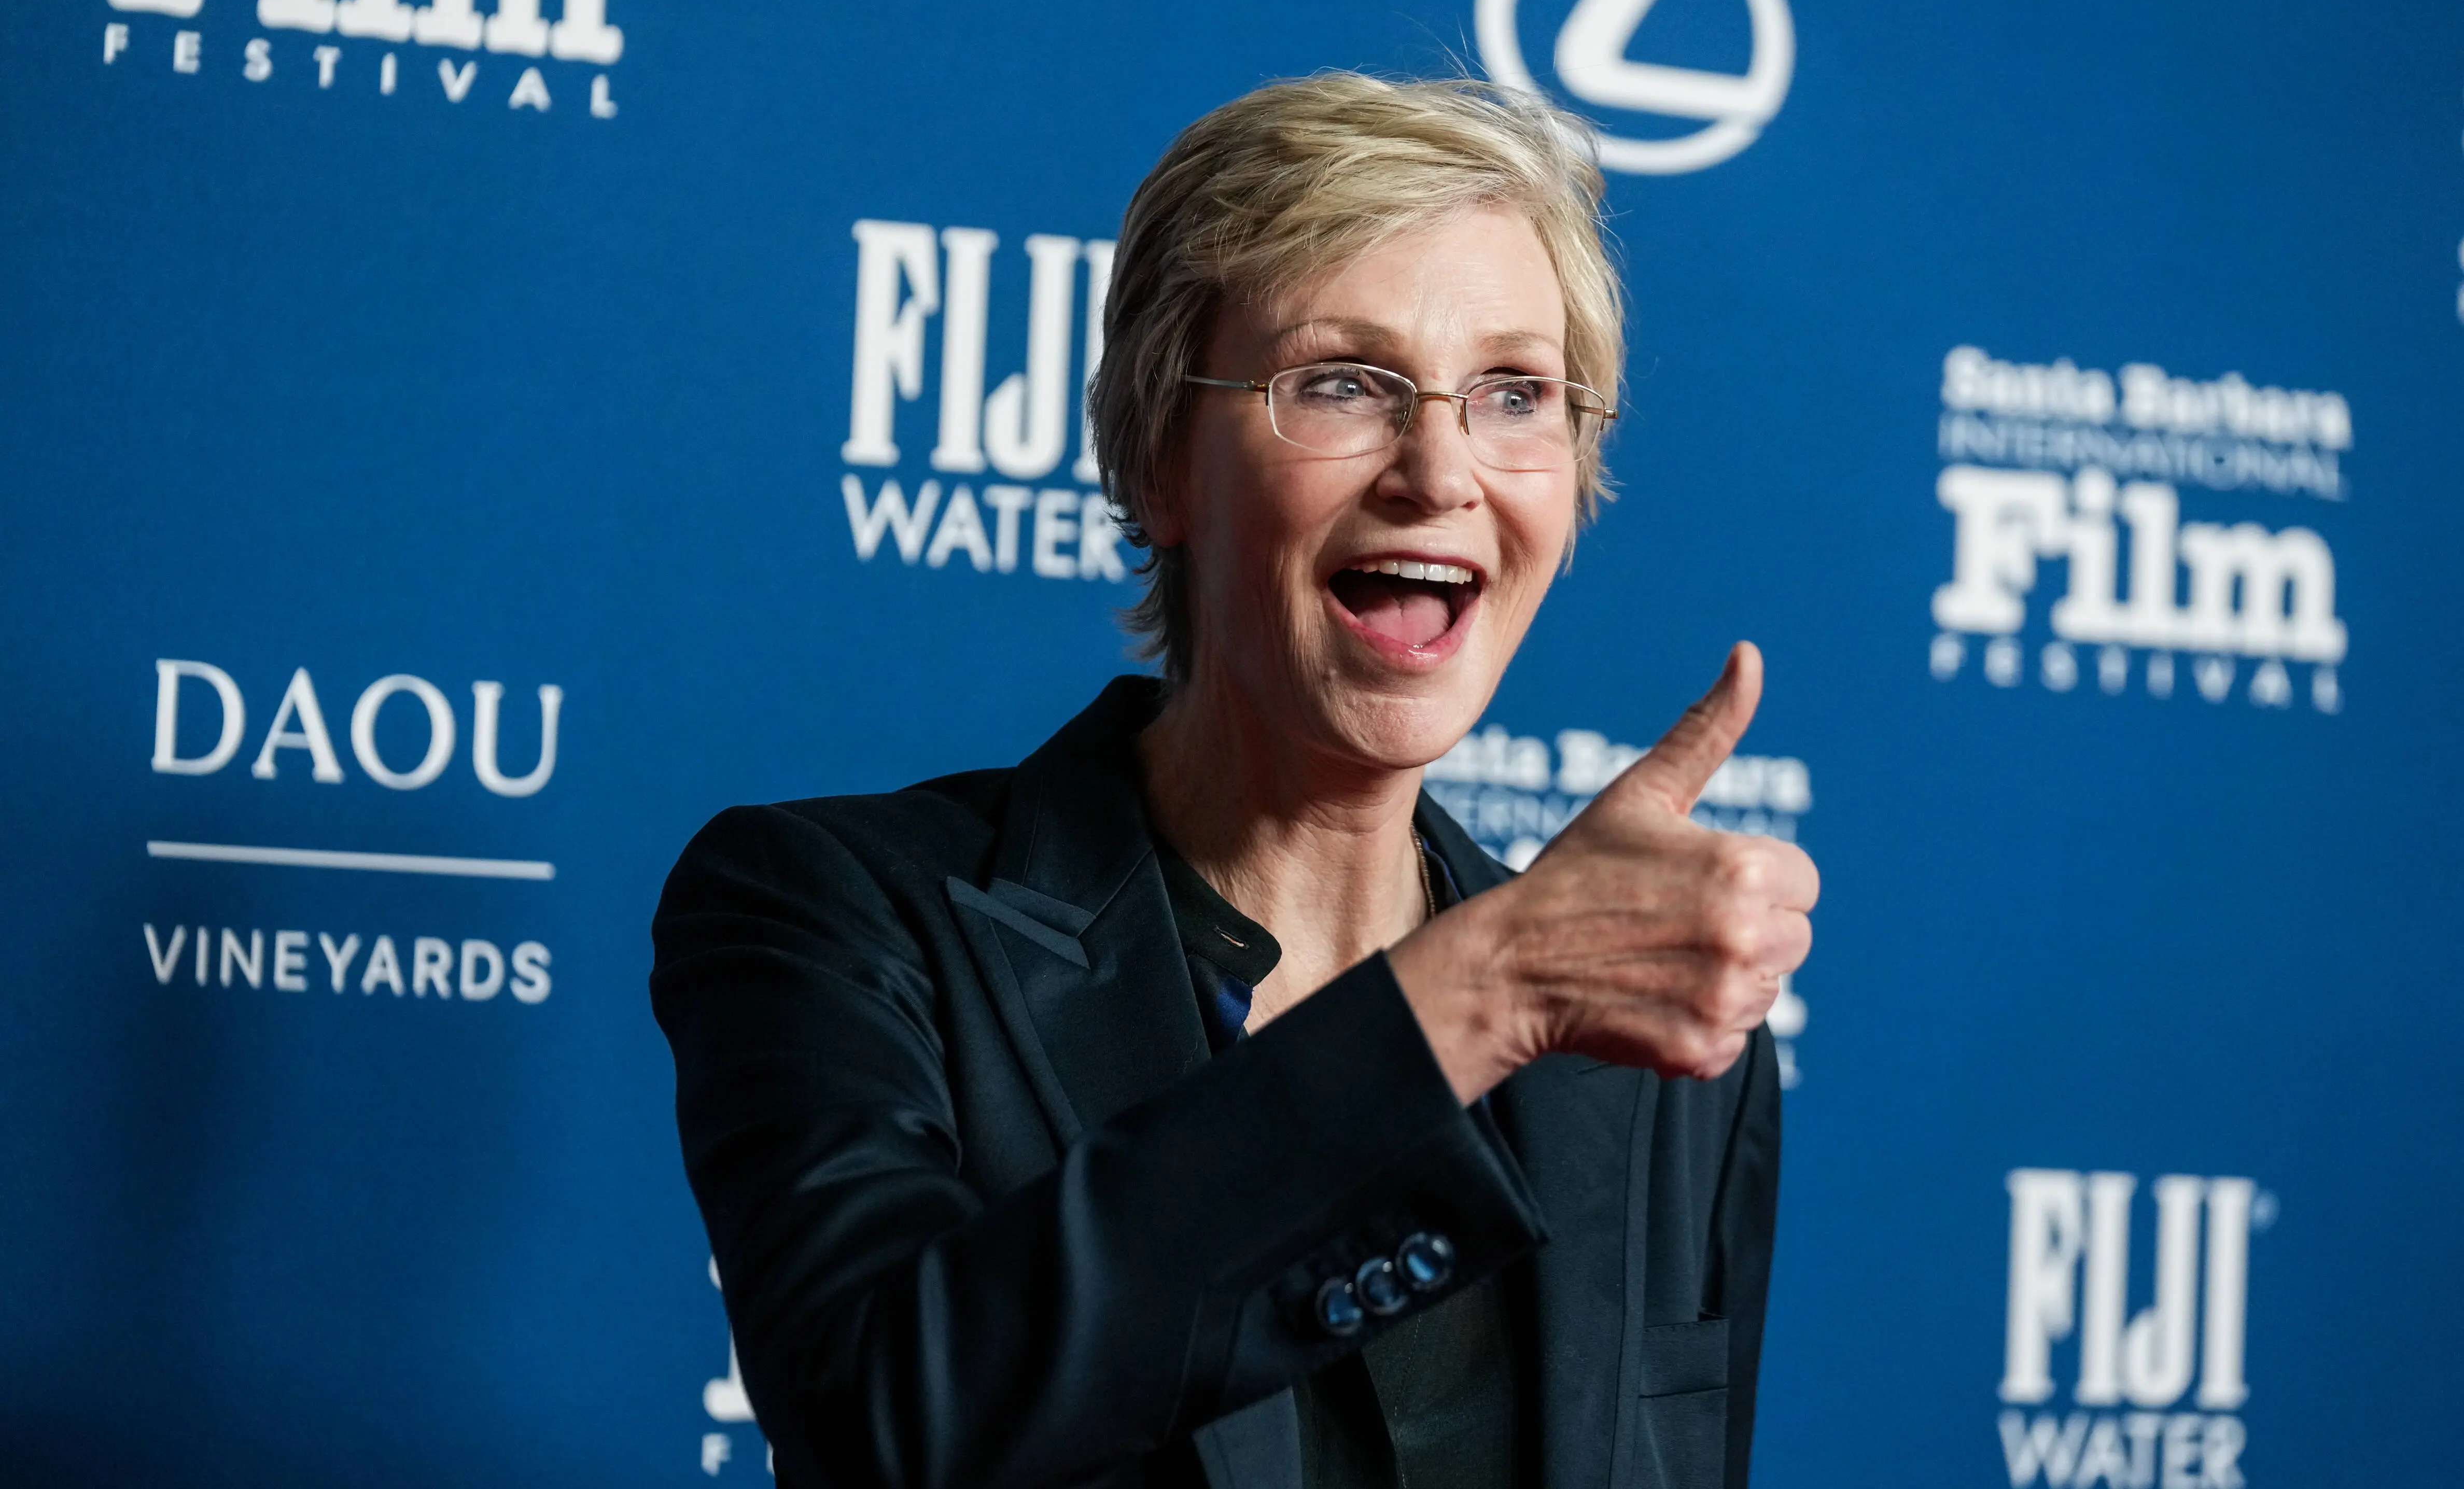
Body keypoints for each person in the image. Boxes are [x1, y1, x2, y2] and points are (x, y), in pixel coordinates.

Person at [651, 73, 1819, 1489]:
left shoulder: (1652, 1058)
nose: (1440, 470)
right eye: (1342, 382)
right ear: (1155, 458)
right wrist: (1479, 996)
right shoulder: (843, 913)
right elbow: (883, 1420)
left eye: (1516, 393)